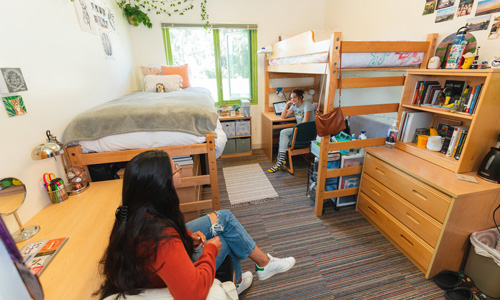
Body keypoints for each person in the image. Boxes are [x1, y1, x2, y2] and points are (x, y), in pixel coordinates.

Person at [96, 150, 295, 300]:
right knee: (225, 239)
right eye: (175, 168)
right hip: (169, 278)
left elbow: (170, 231)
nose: (179, 170)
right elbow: (191, 293)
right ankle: (252, 272)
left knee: (224, 218)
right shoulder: (161, 239)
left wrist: (186, 236)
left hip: (154, 267)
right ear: (162, 182)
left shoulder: (138, 211)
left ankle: (257, 269)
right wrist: (208, 251)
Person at [268, 89, 314, 173]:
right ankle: (281, 160)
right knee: (283, 136)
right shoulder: (294, 106)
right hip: (299, 129)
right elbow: (283, 117)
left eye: (295, 97)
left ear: (300, 97)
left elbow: (305, 122)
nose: (293, 99)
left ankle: (280, 160)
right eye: (291, 98)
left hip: (307, 131)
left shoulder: (307, 105)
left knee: (284, 132)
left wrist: (296, 131)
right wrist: (287, 105)